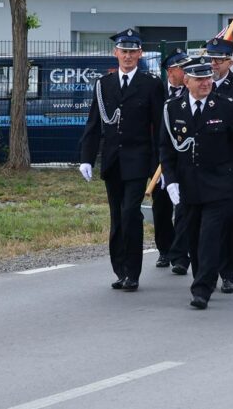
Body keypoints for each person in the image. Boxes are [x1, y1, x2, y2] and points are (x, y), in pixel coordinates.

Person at [160, 56, 233, 309]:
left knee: (209, 236)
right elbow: (166, 148)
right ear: (186, 81)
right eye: (199, 79)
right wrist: (170, 180)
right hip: (189, 185)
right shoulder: (172, 108)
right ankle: (202, 276)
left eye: (208, 77)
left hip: (220, 184)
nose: (205, 83)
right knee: (194, 237)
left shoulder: (226, 107)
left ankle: (202, 289)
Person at [79, 29, 165, 291]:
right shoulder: (104, 84)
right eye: (123, 51)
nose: (128, 56)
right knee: (117, 216)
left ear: (140, 54)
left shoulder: (151, 84)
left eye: (132, 52)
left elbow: (160, 127)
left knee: (130, 213)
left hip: (138, 160)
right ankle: (120, 270)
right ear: (115, 53)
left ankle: (133, 272)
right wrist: (86, 158)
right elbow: (94, 123)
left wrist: (160, 164)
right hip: (113, 160)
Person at [202, 36, 233, 294]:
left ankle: (228, 272)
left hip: (231, 163)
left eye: (219, 60)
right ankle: (206, 273)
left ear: (229, 63)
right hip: (205, 164)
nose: (214, 64)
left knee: (231, 220)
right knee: (207, 223)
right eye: (211, 59)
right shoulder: (201, 84)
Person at [152, 48, 187, 268]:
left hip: (184, 157)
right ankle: (164, 249)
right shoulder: (156, 91)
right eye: (182, 68)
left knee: (183, 206)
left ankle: (181, 256)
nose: (186, 72)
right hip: (159, 157)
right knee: (161, 206)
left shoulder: (191, 91)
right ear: (170, 71)